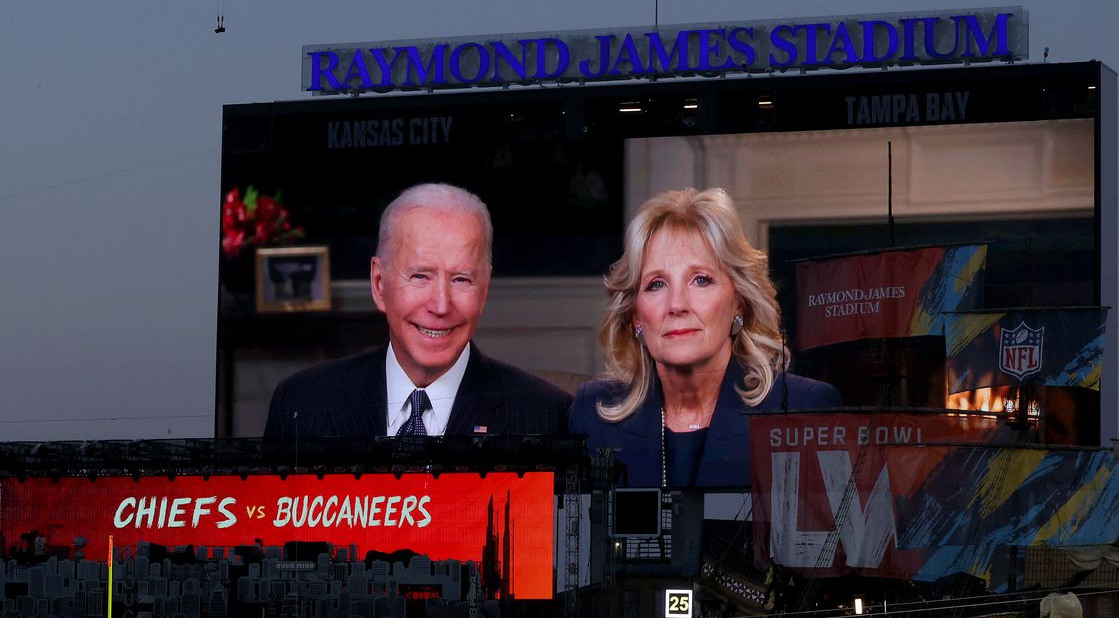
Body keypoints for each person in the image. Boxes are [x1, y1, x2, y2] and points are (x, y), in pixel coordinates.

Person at [569, 187, 839, 488]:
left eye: (701, 280)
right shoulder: (592, 416)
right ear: (635, 316)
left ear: (739, 301)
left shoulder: (803, 410)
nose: (677, 305)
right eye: (656, 284)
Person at [264, 182, 571, 438]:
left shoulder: (546, 416)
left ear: (485, 288)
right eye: (420, 276)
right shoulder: (300, 406)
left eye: (461, 279)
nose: (440, 305)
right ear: (379, 283)